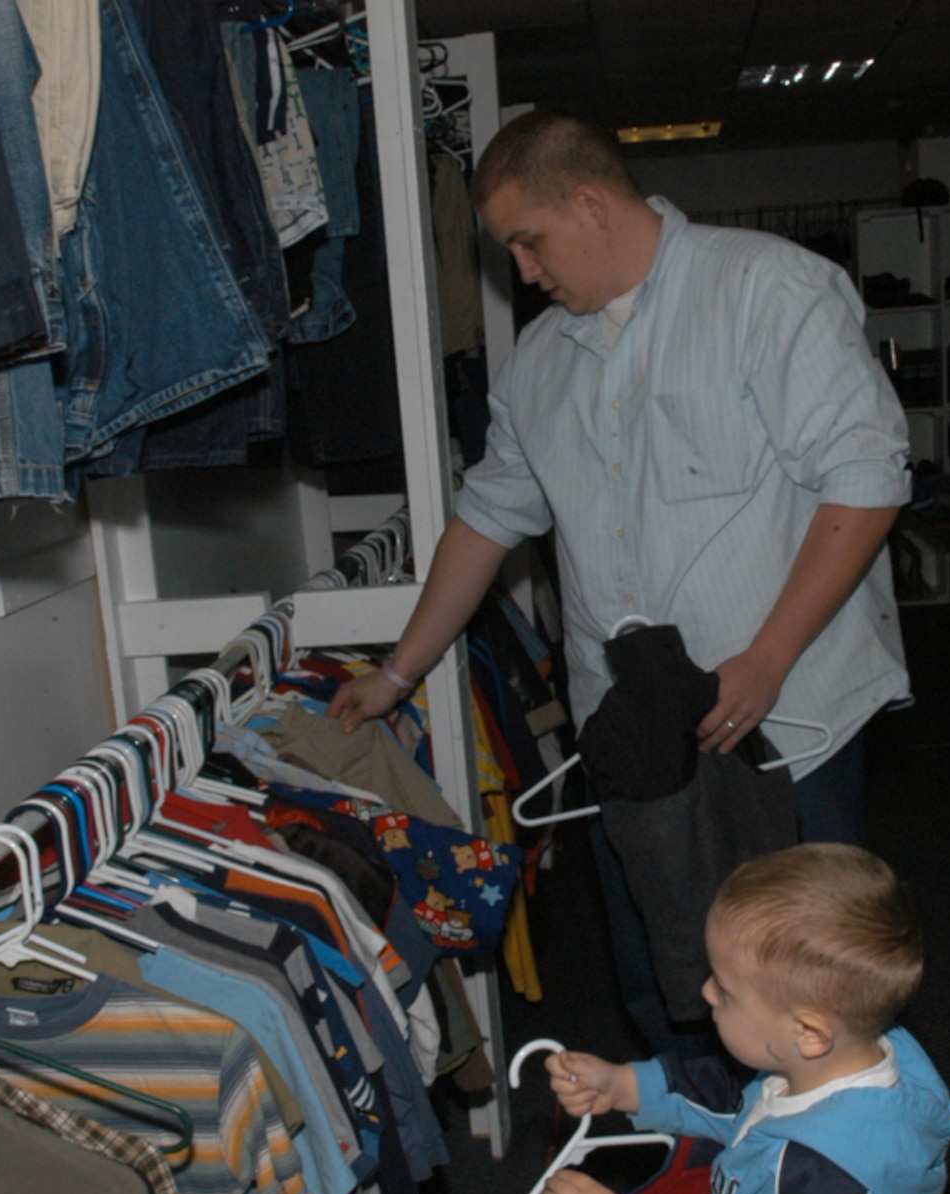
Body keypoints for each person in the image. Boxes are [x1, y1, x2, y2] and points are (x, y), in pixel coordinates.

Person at [327, 107, 911, 844]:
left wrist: (768, 658)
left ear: (590, 204)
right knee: (653, 959)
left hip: (789, 717)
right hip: (630, 735)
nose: (525, 272)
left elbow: (867, 480)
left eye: (528, 242)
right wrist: (396, 673)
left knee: (798, 955)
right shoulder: (535, 365)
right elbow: (485, 523)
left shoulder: (768, 289)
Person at [536, 844, 950, 1194]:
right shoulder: (837, 1064)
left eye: (724, 989)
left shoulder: (826, 1189)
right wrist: (627, 1085)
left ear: (808, 1033)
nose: (706, 992)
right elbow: (745, 1096)